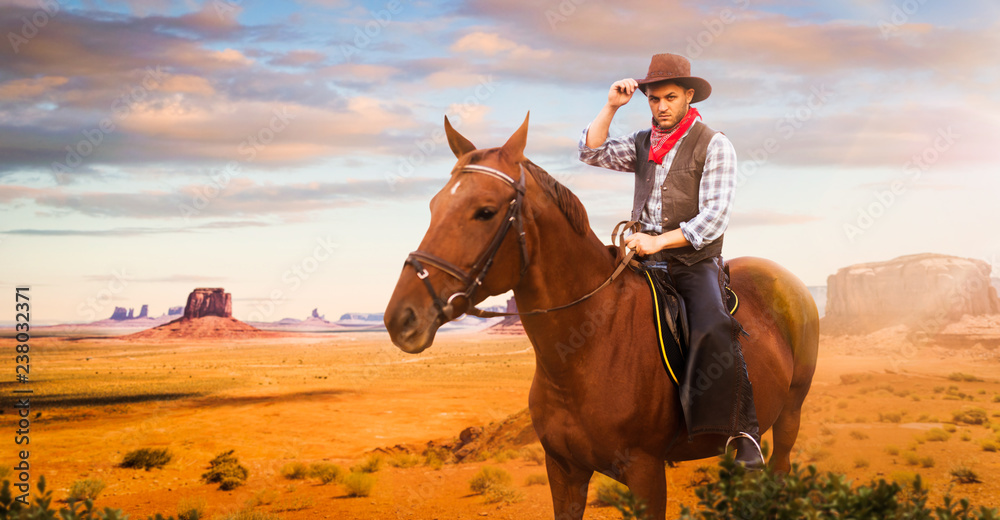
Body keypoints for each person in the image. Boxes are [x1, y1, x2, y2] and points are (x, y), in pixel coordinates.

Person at [578, 53, 763, 468]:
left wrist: (659, 243)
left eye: (670, 97)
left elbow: (714, 217)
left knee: (714, 324)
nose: (660, 106)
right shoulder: (643, 143)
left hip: (691, 263)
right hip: (643, 258)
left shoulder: (714, 145)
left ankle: (743, 430)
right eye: (653, 99)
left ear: (688, 96)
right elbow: (591, 153)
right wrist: (610, 106)